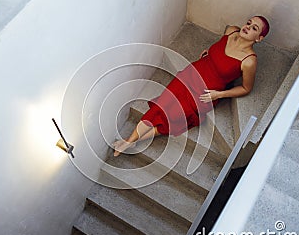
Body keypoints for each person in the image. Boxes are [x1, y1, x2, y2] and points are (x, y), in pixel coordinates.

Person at [113, 16, 270, 157]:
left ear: (259, 38)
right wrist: (211, 52)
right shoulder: (231, 30)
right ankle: (129, 141)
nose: (248, 27)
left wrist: (218, 95)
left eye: (254, 28)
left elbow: (246, 89)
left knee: (173, 117)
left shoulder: (249, 61)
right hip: (191, 74)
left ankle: (131, 141)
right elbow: (219, 48)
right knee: (161, 106)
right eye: (249, 22)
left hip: (206, 91)